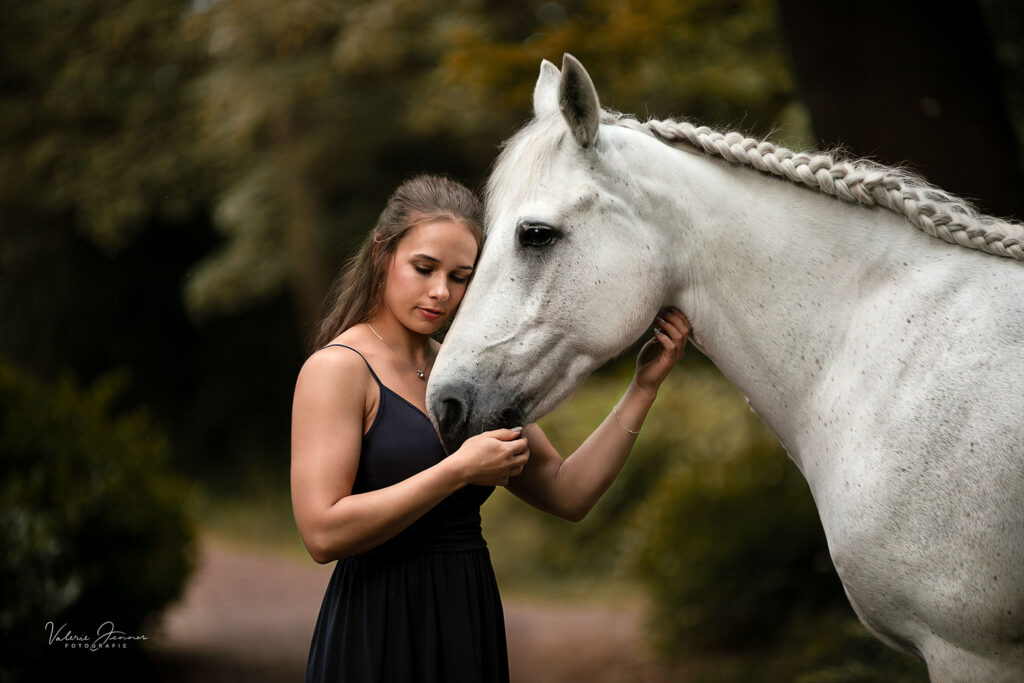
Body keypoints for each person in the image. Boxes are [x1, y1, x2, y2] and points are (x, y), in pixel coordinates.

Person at [290, 174, 691, 683]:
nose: (441, 292)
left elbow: (568, 493)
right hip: (379, 624)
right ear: (381, 255)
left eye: (460, 277)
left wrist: (642, 390)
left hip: (466, 617)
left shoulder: (468, 375)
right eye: (424, 268)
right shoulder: (338, 369)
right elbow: (322, 533)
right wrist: (456, 472)